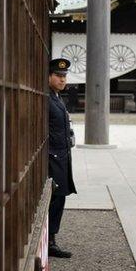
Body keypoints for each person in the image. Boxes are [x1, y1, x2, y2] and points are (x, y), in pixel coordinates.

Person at [47, 58, 77, 258]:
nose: (62, 80)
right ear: (49, 76)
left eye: (64, 76)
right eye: (58, 76)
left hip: (62, 155)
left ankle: (51, 239)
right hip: (52, 156)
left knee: (59, 199)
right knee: (54, 199)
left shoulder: (57, 98)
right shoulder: (46, 98)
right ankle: (49, 241)